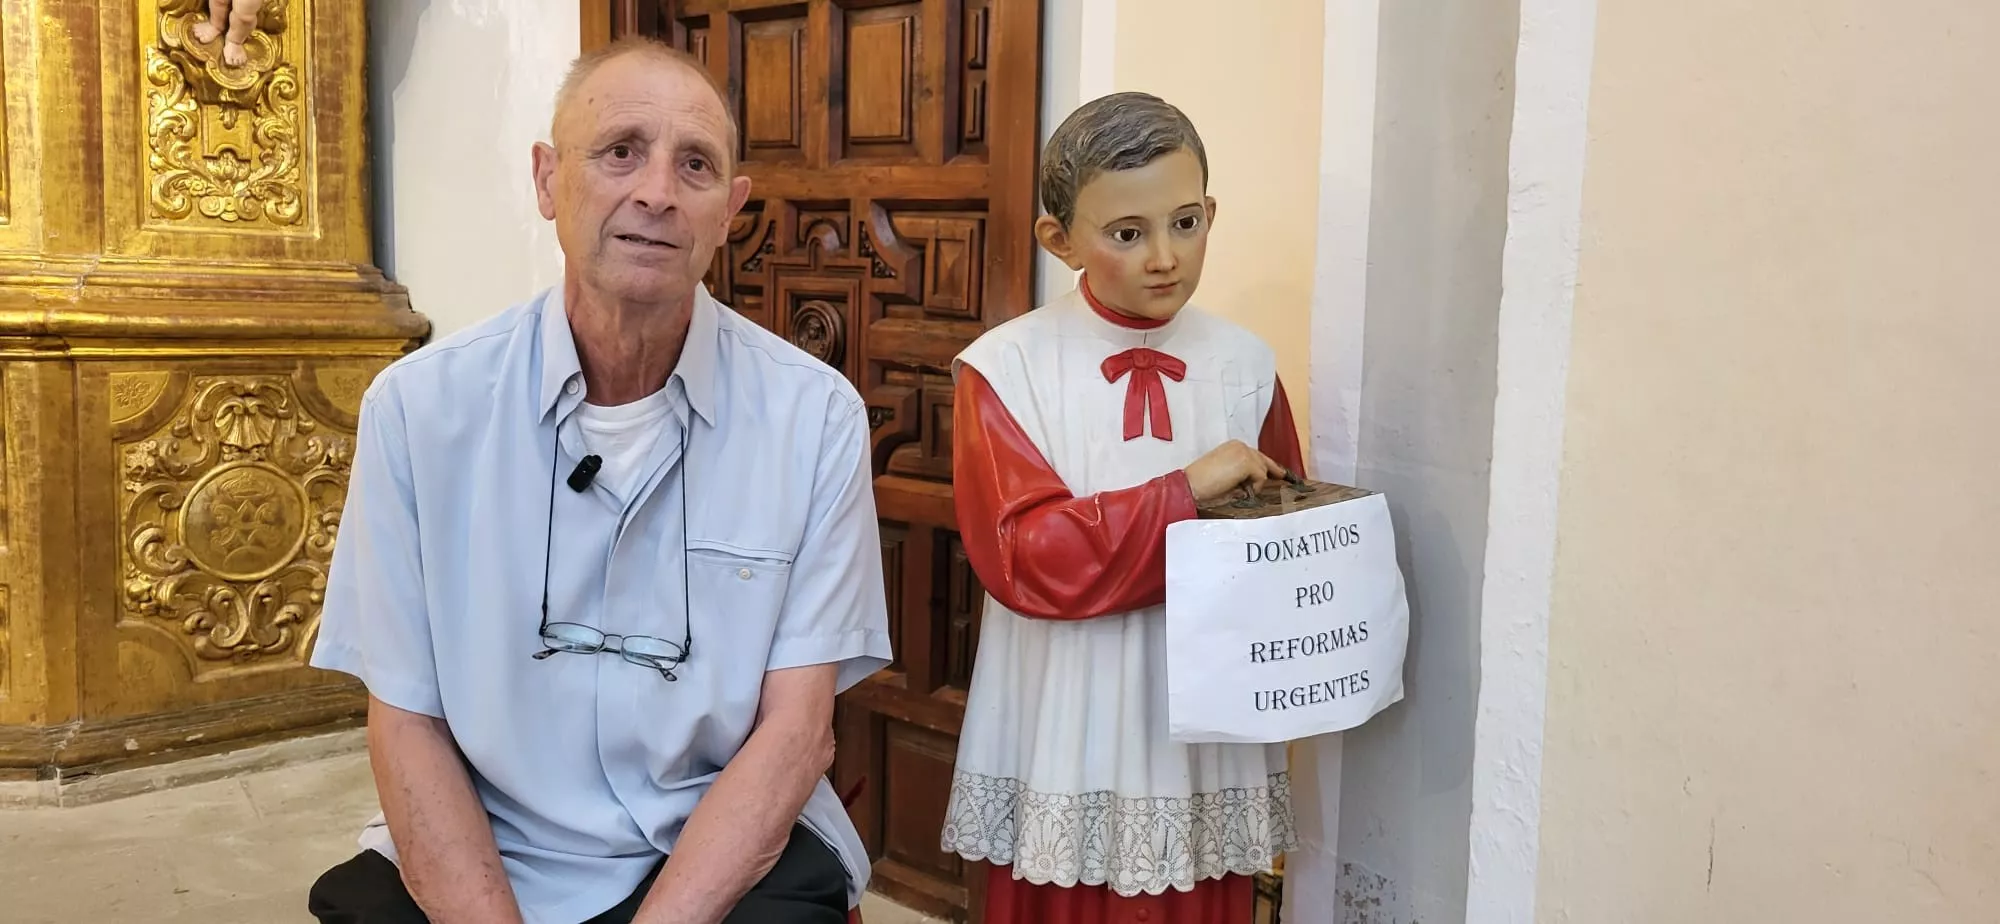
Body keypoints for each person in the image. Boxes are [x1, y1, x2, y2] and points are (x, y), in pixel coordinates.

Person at [305, 37, 891, 924]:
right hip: (500, 829)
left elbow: (797, 730)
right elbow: (406, 716)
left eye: (694, 165)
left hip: (715, 834)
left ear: (730, 209)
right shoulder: (421, 410)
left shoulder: (815, 419)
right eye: (621, 151)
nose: (656, 191)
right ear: (547, 180)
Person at [938, 92, 1302, 923]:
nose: (1164, 257)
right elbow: (1025, 557)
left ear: (1211, 211)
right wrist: (1183, 492)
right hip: (1067, 705)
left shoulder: (1246, 365)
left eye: (1185, 222)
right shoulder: (1008, 370)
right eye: (1127, 234)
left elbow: (1283, 537)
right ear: (1059, 240)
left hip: (1201, 716)